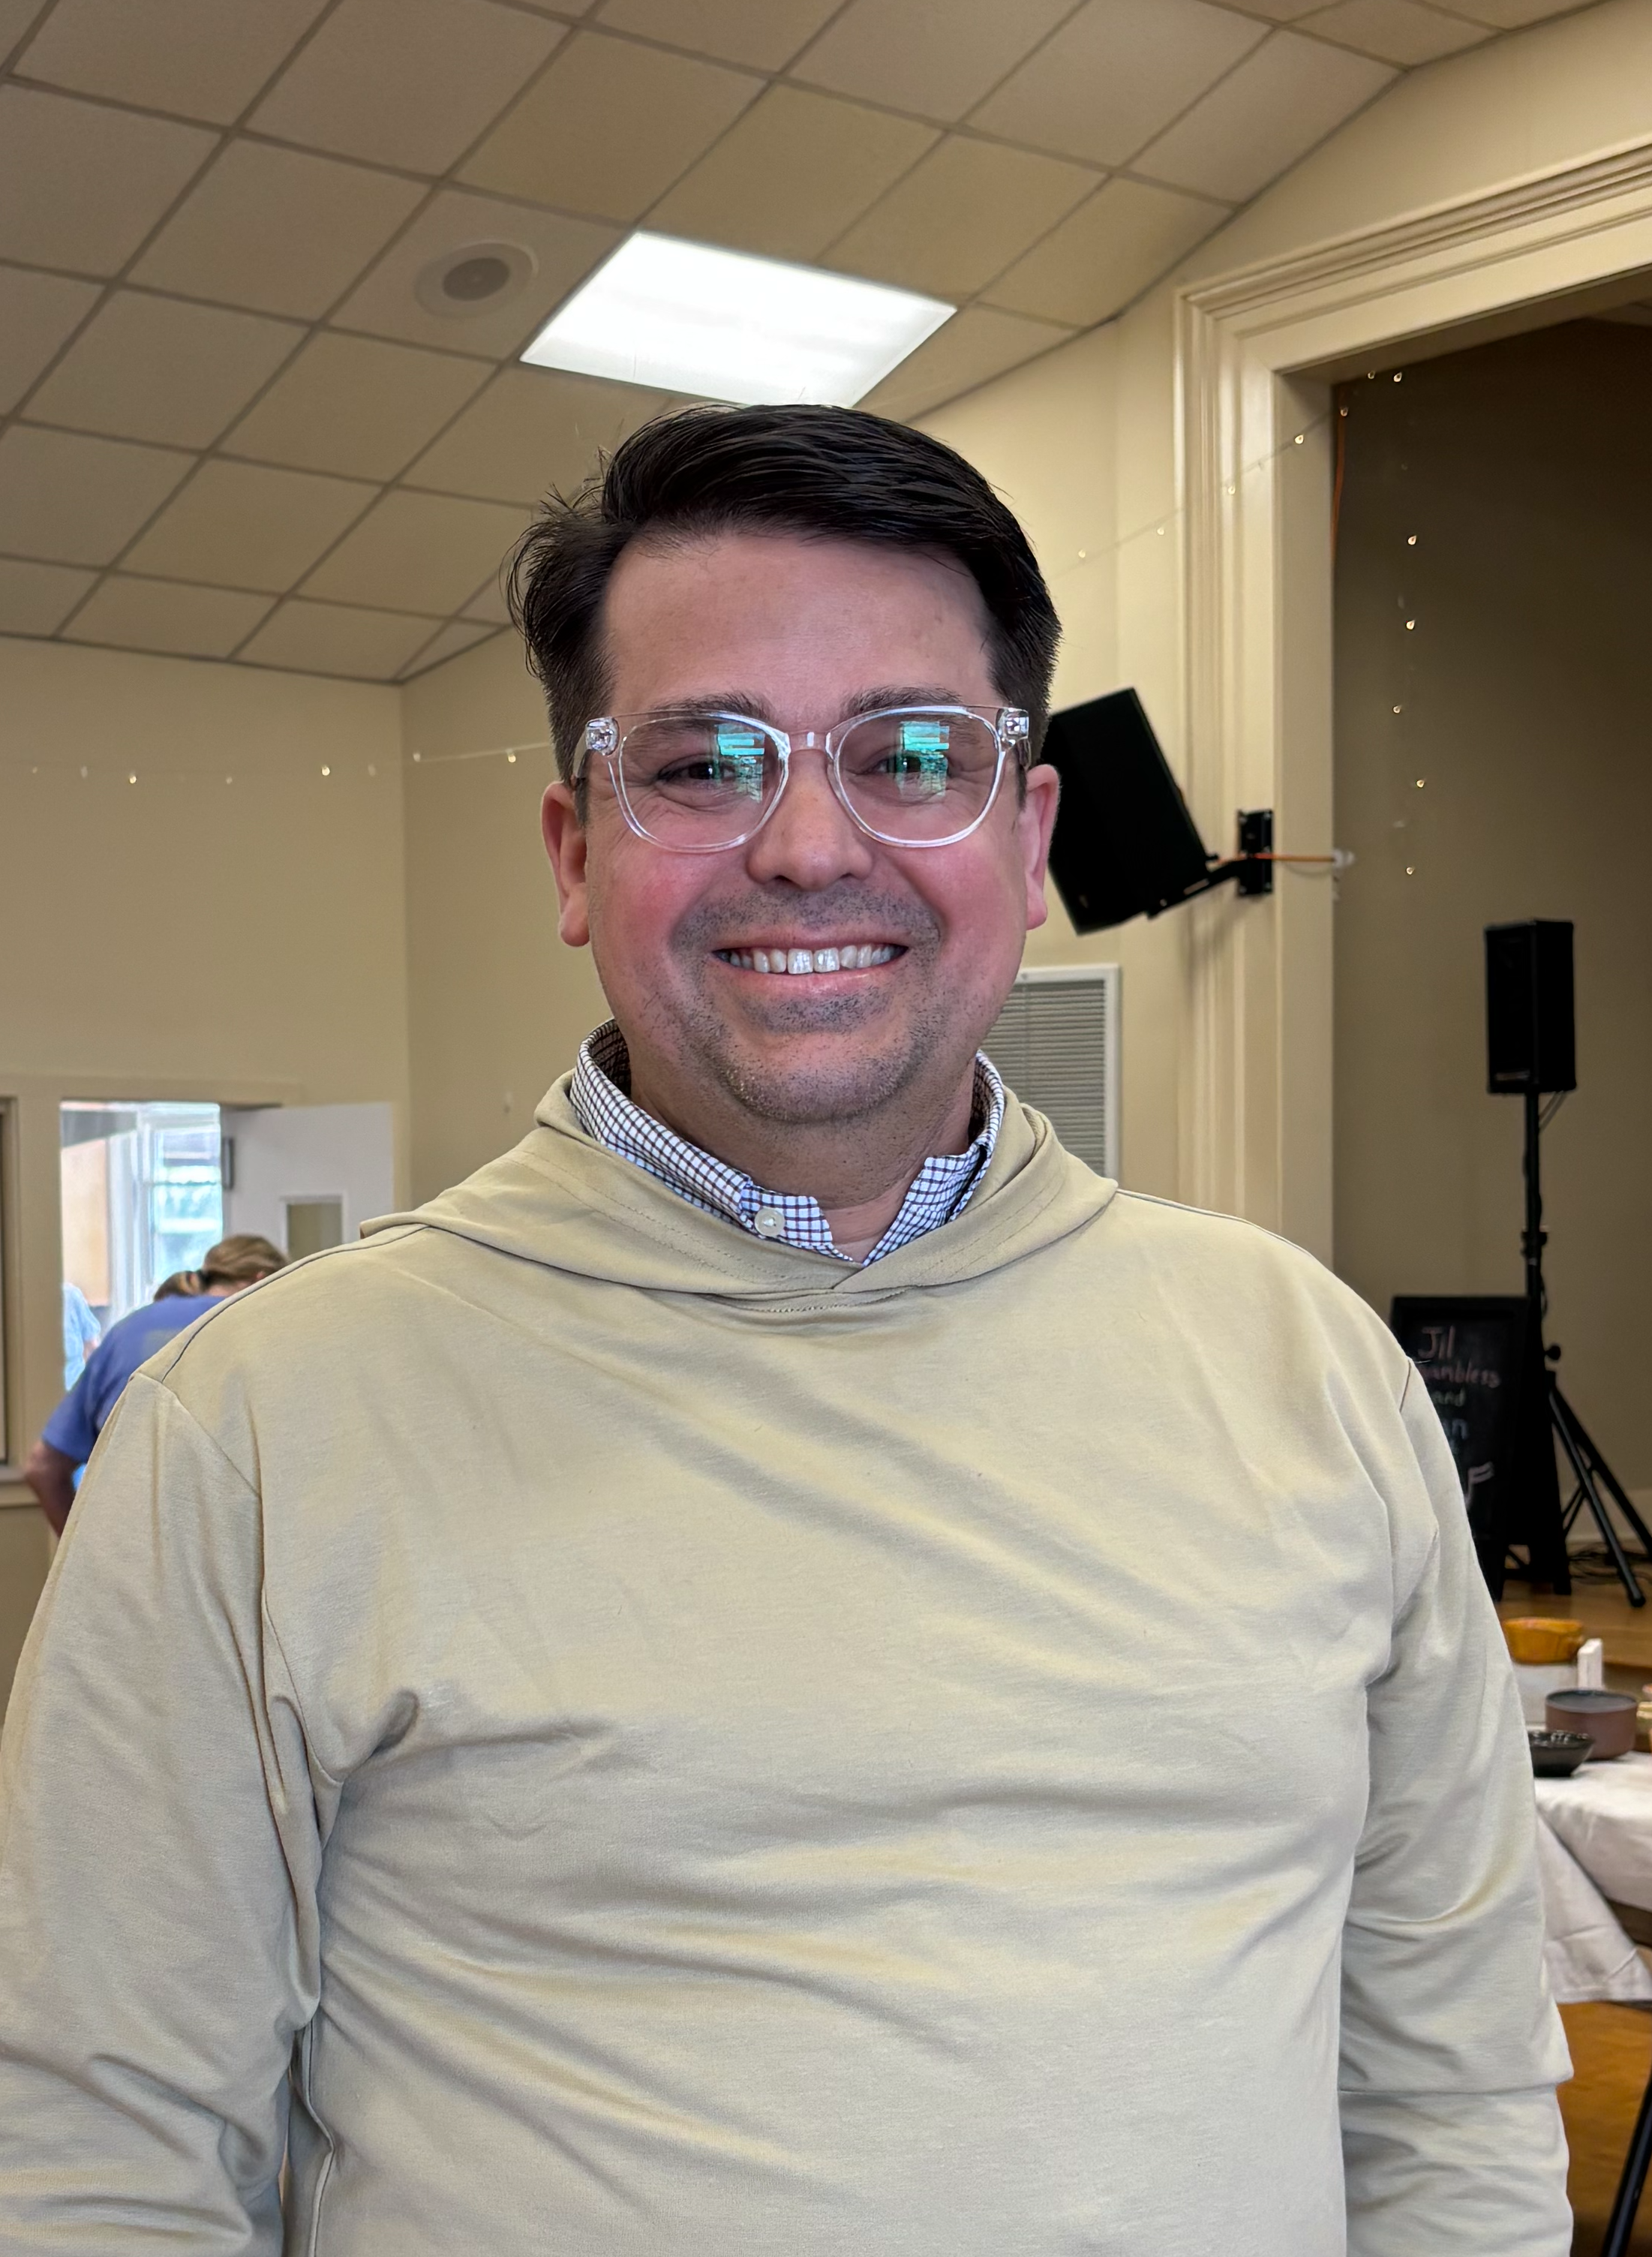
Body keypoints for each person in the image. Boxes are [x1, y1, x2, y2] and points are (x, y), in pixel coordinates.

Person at [0, 407, 1568, 2254]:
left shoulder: (1307, 1370)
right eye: (699, 763)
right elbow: (96, 2153)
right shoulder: (260, 1427)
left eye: (912, 756)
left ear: (1029, 835)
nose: (811, 845)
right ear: (576, 851)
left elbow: (1447, 2087)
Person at [23, 1234, 286, 1535]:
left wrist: (82, 1554)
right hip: (225, 1545)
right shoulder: (260, 1333)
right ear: (262, 1280)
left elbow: (42, 1468)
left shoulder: (127, 1331)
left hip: (124, 1547)